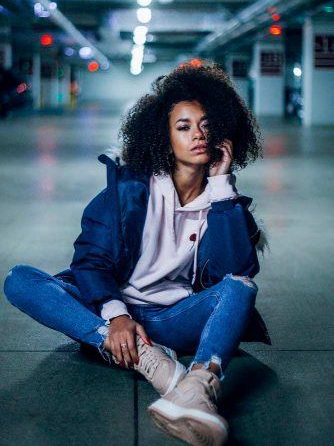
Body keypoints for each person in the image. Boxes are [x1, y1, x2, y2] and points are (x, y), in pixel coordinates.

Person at [4, 61, 271, 446]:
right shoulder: (127, 192)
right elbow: (90, 262)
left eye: (207, 125)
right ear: (163, 137)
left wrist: (222, 188)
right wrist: (116, 317)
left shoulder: (225, 204)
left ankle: (198, 383)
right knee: (20, 281)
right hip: (114, 312)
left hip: (175, 318)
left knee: (241, 287)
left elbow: (234, 272)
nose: (198, 135)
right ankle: (151, 361)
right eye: (183, 127)